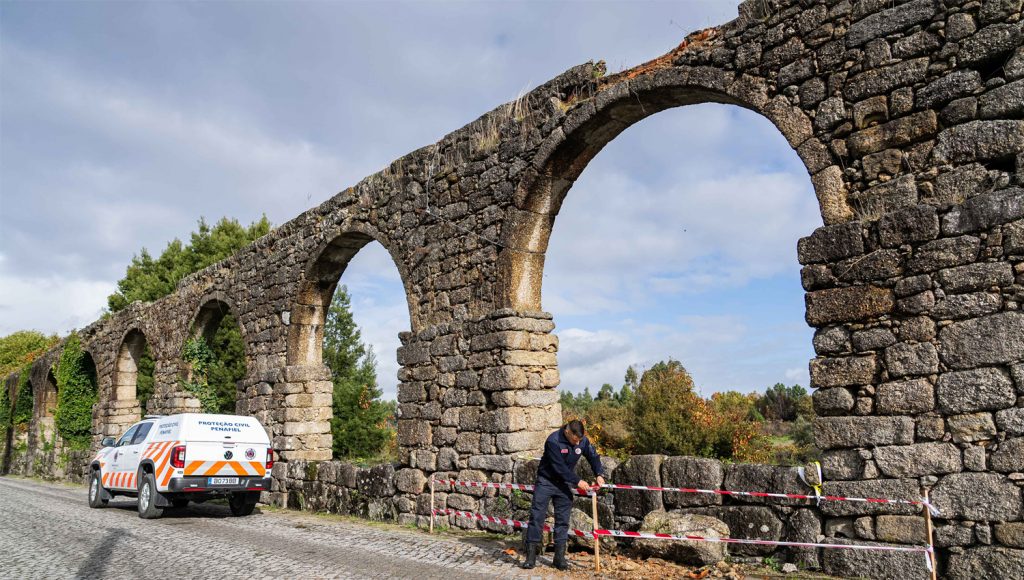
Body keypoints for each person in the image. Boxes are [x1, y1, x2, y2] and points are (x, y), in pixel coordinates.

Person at [522, 419, 606, 570]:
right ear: (567, 431)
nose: (577, 444)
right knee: (537, 517)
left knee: (563, 520)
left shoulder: (582, 441)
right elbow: (559, 467)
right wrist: (577, 481)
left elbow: (593, 456)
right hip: (546, 481)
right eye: (575, 440)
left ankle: (559, 558)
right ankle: (530, 557)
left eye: (579, 441)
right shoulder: (553, 441)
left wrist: (599, 473)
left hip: (564, 484)